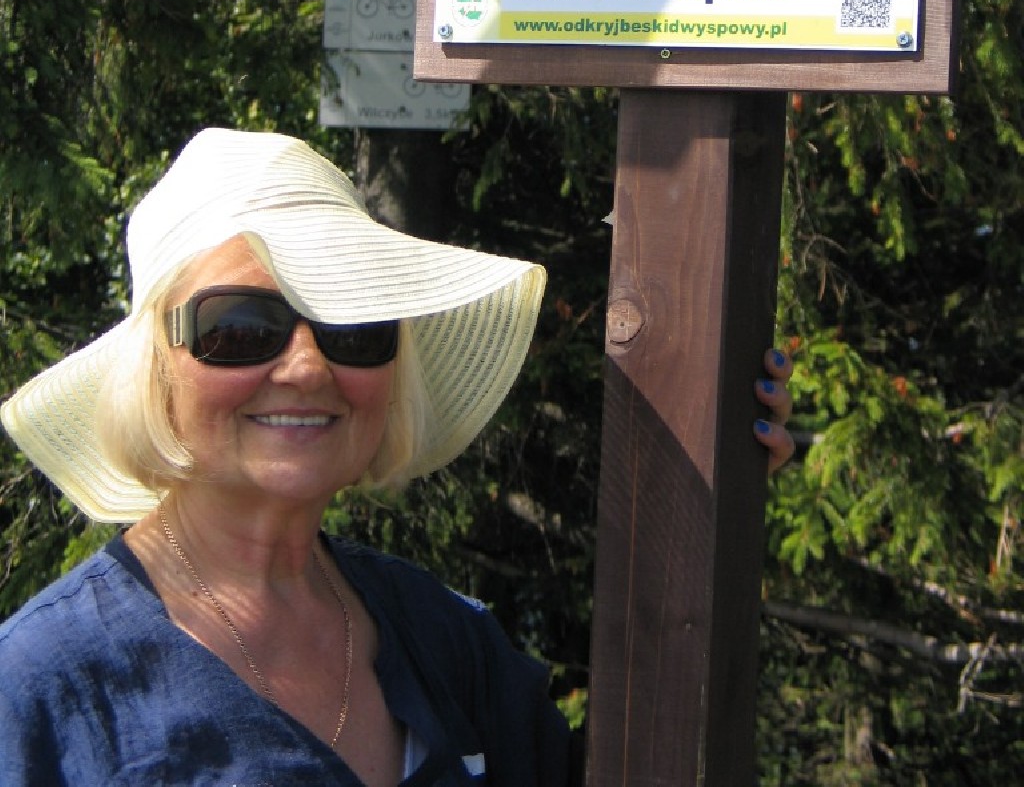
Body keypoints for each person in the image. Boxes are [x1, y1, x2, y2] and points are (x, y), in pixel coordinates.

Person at [0, 127, 793, 786]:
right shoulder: (42, 688)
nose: (306, 369)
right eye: (239, 327)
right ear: (155, 369)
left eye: (351, 326)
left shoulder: (447, 642)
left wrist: (713, 497)